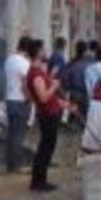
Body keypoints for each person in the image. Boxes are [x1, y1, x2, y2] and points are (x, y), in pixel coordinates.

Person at [26, 39, 69, 192]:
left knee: (47, 147)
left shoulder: (38, 72)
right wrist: (54, 86)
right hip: (47, 115)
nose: (46, 52)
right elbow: (43, 97)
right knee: (45, 148)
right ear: (38, 52)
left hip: (50, 112)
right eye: (43, 50)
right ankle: (38, 182)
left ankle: (41, 180)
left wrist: (61, 103)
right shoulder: (36, 74)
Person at [4, 36, 32, 173]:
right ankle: (16, 165)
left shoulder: (9, 60)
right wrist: (29, 98)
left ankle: (10, 164)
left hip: (10, 99)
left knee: (11, 134)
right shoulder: (24, 63)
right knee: (19, 135)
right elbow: (25, 83)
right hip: (20, 100)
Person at [59, 39, 92, 118]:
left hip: (74, 95)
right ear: (86, 51)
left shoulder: (71, 65)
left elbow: (64, 82)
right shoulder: (90, 65)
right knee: (86, 118)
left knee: (74, 117)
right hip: (86, 95)